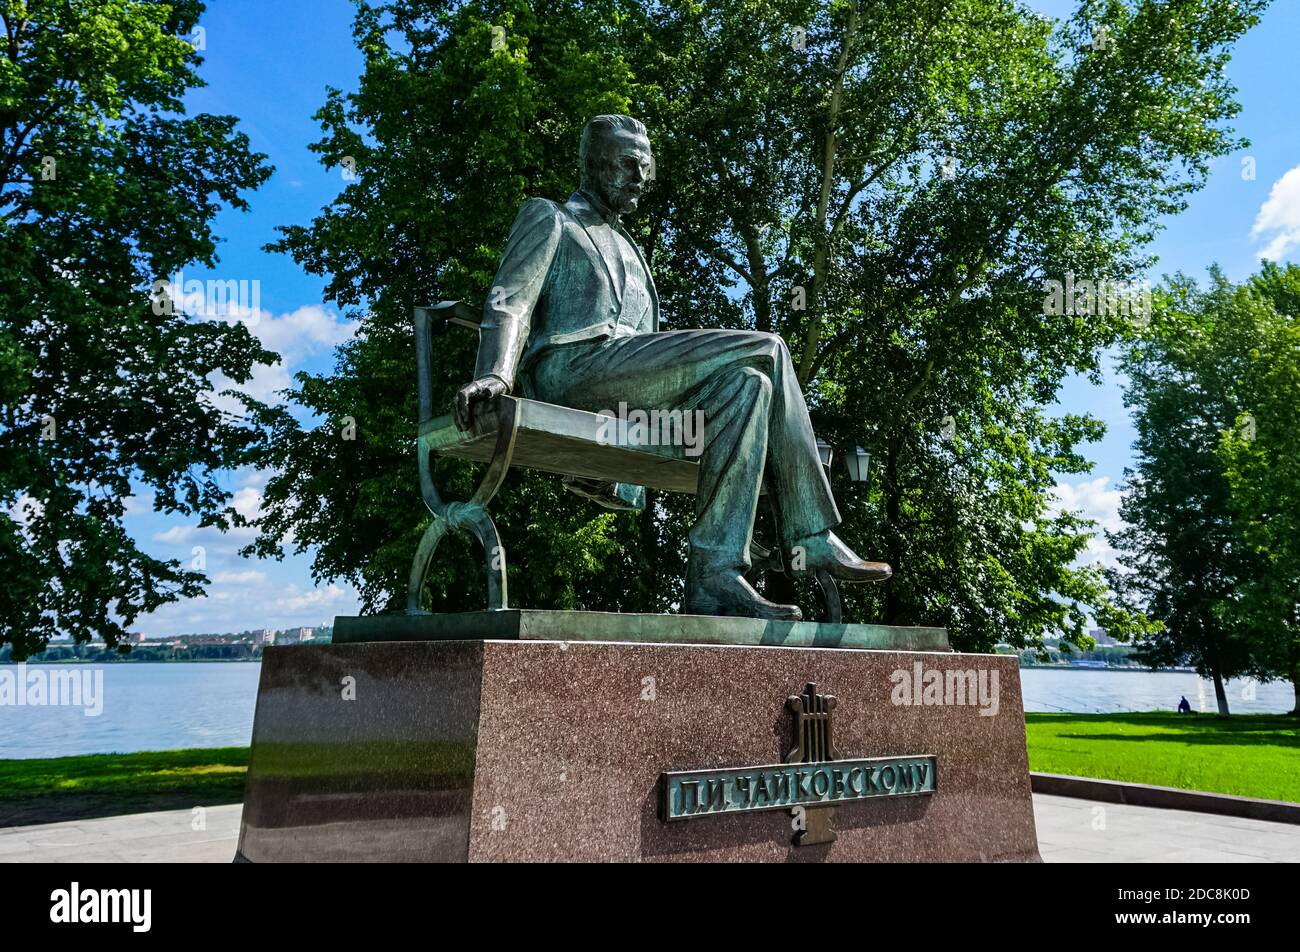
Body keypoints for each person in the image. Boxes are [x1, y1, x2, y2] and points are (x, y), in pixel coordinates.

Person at [454, 115, 891, 620]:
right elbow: (509, 301)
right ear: (592, 163)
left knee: (749, 387)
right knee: (767, 348)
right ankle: (811, 532)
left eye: (646, 169)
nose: (640, 178)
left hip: (626, 387)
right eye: (629, 165)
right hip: (573, 370)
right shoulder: (551, 218)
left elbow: (651, 357)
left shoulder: (634, 253)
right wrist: (496, 373)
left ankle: (715, 575)